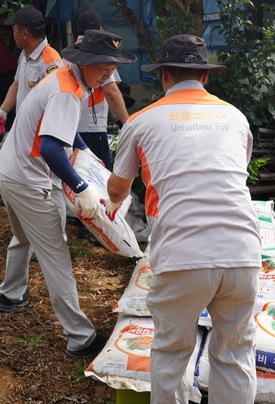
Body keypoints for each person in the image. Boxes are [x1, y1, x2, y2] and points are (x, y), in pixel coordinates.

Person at [105, 35, 261, 404]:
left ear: (163, 75)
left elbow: (117, 190)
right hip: (242, 253)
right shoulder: (236, 117)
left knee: (172, 353)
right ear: (205, 76)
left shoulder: (141, 121)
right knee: (235, 353)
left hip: (182, 255)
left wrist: (109, 199)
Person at [0, 29, 135, 358]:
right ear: (84, 62)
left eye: (112, 67)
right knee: (56, 255)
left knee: (23, 237)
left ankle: (10, 295)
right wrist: (81, 187)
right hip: (28, 180)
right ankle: (80, 337)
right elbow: (50, 147)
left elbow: (63, 130)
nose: (108, 74)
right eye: (103, 67)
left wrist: (84, 151)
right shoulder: (67, 92)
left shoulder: (66, 77)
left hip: (8, 170)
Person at [0, 6, 63, 135]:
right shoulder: (24, 54)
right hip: (23, 129)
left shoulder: (50, 62)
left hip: (40, 133)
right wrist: (3, 111)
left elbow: (58, 102)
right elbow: (17, 84)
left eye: (14, 31)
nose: (13, 35)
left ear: (24, 33)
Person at [74, 10, 130, 169]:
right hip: (91, 128)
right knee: (100, 174)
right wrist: (127, 124)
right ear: (100, 29)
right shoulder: (99, 53)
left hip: (72, 126)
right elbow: (111, 92)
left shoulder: (69, 54)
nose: (108, 73)